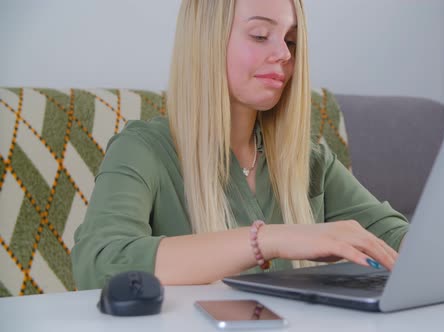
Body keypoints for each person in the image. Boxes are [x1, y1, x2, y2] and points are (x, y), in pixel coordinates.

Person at [71, 0, 409, 290]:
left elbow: (398, 241)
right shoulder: (142, 150)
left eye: (291, 40)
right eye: (261, 35)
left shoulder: (310, 161)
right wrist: (270, 240)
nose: (283, 54)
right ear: (207, 41)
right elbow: (99, 264)